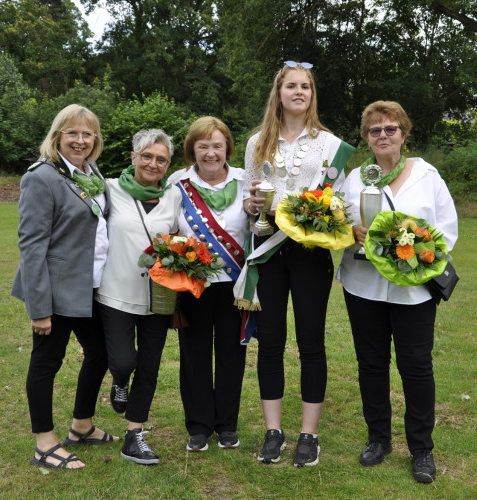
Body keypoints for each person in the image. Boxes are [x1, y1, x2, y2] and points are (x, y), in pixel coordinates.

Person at [238, 61, 354, 467]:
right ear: (279, 93)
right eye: (291, 86)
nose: (299, 92)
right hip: (267, 248)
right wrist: (252, 205)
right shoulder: (257, 143)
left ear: (311, 94)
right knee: (269, 342)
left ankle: (309, 434)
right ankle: (273, 432)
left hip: (309, 253)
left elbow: (338, 200)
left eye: (305, 86)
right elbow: (248, 196)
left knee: (310, 343)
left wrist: (322, 211)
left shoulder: (330, 144)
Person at [337, 101, 458, 482]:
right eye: (375, 131)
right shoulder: (354, 178)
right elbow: (338, 223)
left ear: (404, 134)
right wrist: (351, 232)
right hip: (363, 286)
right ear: (366, 139)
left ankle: (421, 449)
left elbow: (446, 230)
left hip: (414, 291)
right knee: (371, 365)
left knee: (416, 368)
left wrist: (420, 256)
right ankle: (378, 438)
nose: (383, 136)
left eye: (390, 129)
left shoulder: (426, 175)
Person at [12, 104, 118, 470]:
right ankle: (44, 444)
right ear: (57, 135)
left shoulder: (90, 173)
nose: (80, 140)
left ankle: (82, 426)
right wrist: (39, 308)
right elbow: (32, 245)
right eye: (72, 133)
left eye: (87, 134)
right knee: (46, 362)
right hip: (56, 291)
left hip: (89, 287)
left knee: (102, 353)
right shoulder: (42, 177)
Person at [95, 129, 182, 465]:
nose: (153, 163)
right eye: (146, 156)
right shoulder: (110, 190)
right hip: (115, 292)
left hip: (156, 299)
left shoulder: (174, 196)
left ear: (168, 164)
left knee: (149, 367)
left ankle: (134, 435)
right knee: (123, 362)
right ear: (133, 158)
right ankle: (119, 381)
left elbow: (178, 237)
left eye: (160, 159)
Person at [166, 116, 250, 452]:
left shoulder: (247, 181)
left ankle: (227, 424)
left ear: (227, 147)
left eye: (217, 145)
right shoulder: (177, 182)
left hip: (235, 283)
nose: (211, 153)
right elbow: (168, 227)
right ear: (193, 149)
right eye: (203, 146)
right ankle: (199, 426)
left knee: (232, 353)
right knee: (194, 353)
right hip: (193, 285)